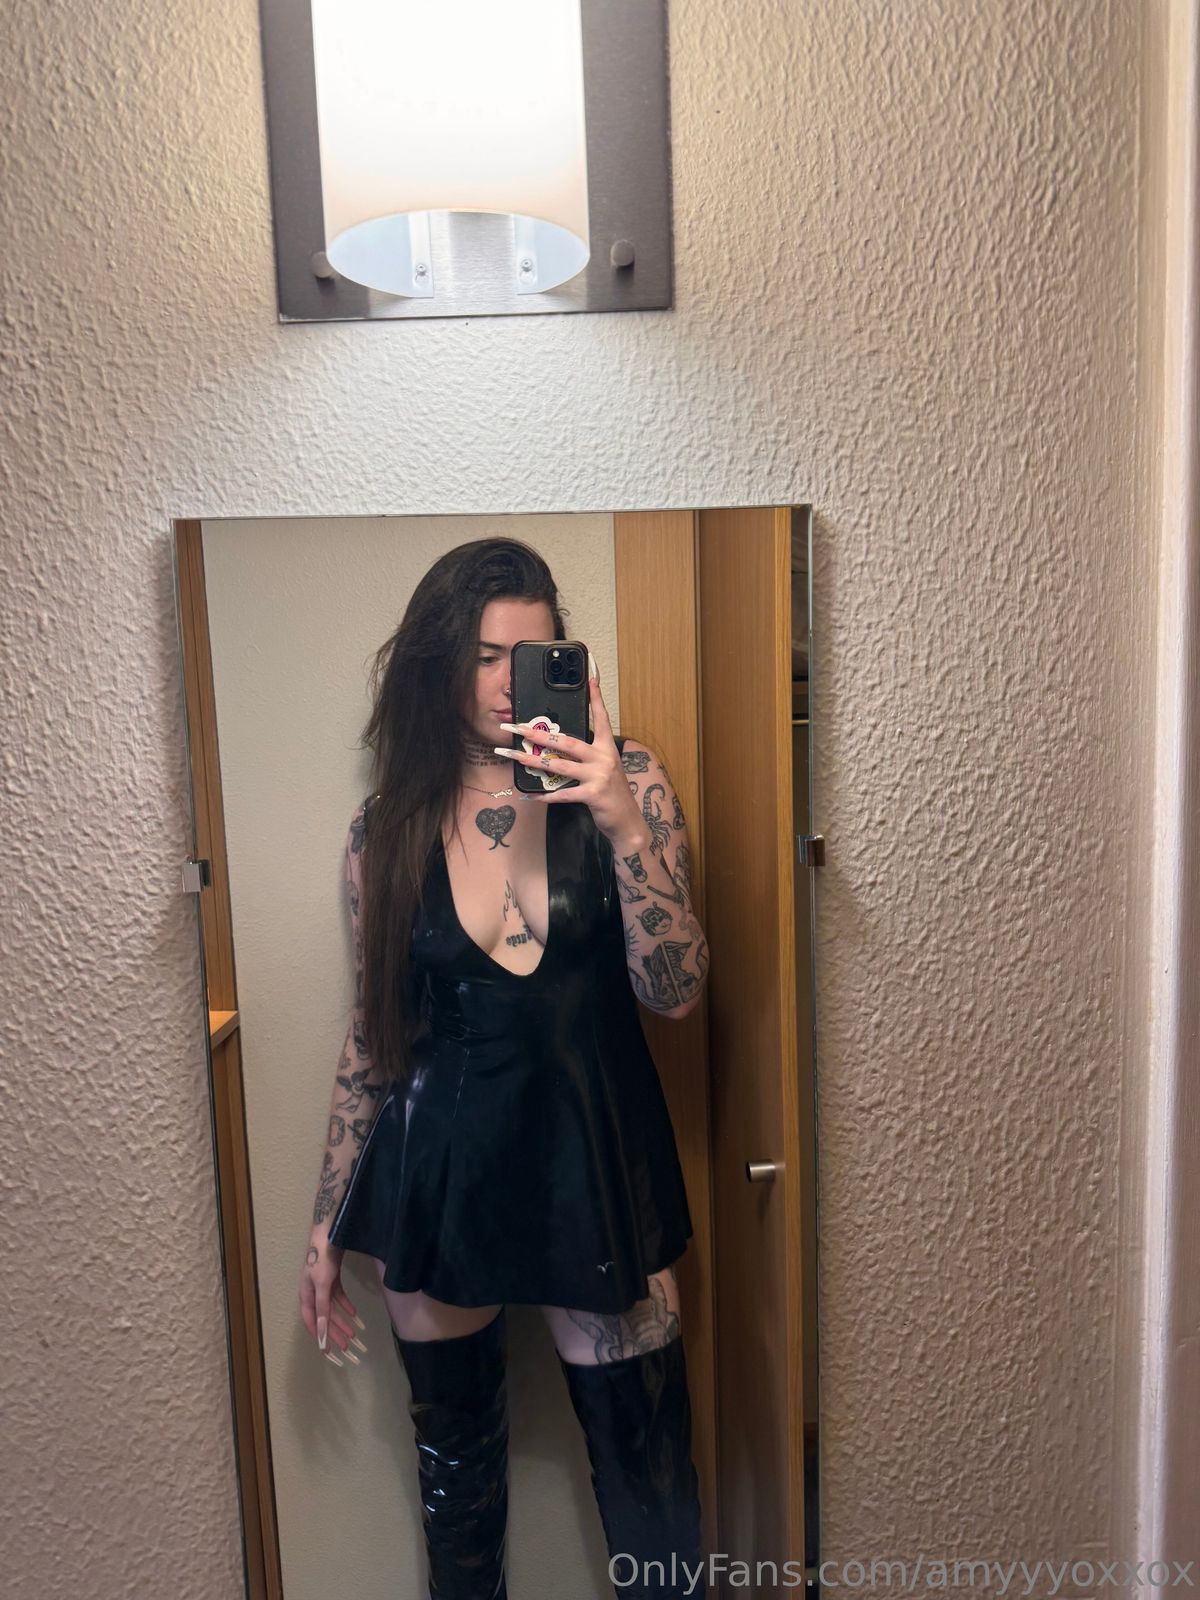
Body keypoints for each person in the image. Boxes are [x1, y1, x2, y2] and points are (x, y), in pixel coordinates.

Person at [298, 537, 709, 1599]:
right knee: (460, 1508)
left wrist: (618, 817)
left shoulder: (629, 782)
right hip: (441, 1175)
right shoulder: (387, 830)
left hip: (594, 1164)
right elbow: (373, 1037)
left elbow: (675, 991)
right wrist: (327, 1225)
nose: (504, 682)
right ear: (440, 661)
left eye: (528, 656)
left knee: (654, 1493)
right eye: (484, 656)